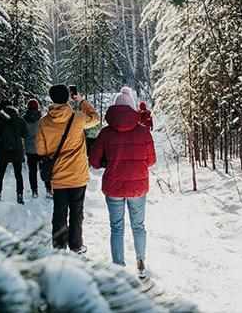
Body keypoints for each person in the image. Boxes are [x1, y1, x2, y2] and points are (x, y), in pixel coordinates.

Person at [89, 86, 156, 278]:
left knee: (117, 227)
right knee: (138, 226)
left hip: (114, 187)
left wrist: (107, 161)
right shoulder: (143, 132)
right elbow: (151, 161)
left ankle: (118, 268)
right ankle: (141, 262)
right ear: (133, 107)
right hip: (137, 187)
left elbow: (94, 161)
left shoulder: (106, 133)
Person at [36, 84, 100, 253]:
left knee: (59, 212)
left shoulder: (44, 122)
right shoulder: (77, 118)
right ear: (67, 98)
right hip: (78, 175)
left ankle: (58, 246)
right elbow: (95, 118)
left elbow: (40, 150)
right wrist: (81, 100)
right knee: (77, 211)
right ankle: (76, 245)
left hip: (58, 176)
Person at [0, 100, 28, 204]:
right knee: (18, 175)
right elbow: (25, 135)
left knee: (0, 174)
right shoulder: (19, 120)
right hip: (17, 151)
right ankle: (20, 195)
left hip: (3, 151)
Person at [23, 99, 52, 198]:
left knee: (32, 171)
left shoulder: (23, 119)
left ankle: (34, 191)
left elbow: (23, 134)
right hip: (42, 149)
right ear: (37, 107)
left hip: (29, 150)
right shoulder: (42, 119)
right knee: (45, 169)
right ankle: (48, 189)